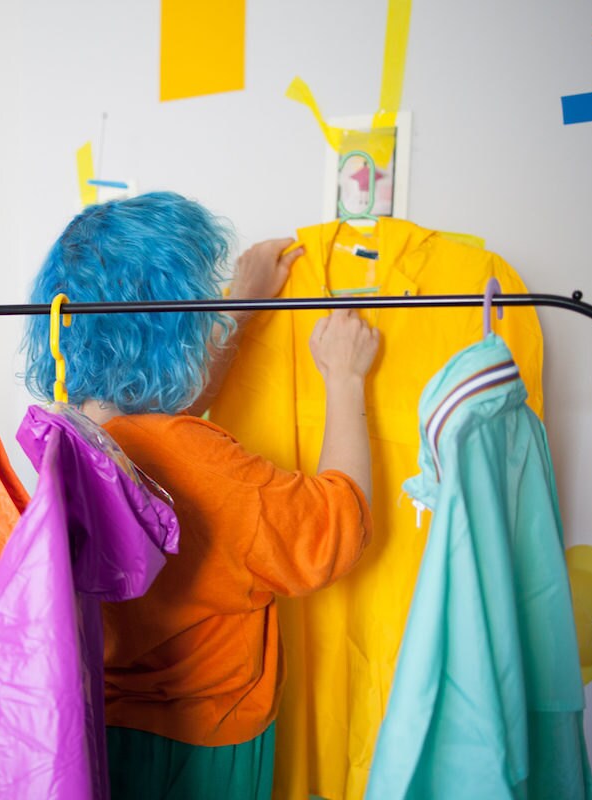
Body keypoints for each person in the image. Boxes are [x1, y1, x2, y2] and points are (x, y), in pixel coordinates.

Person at [21, 191, 379, 799]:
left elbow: (158, 415)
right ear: (181, 333)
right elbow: (334, 528)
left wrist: (242, 307)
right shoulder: (204, 465)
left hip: (99, 729)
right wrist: (345, 381)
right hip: (207, 743)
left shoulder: (68, 437)